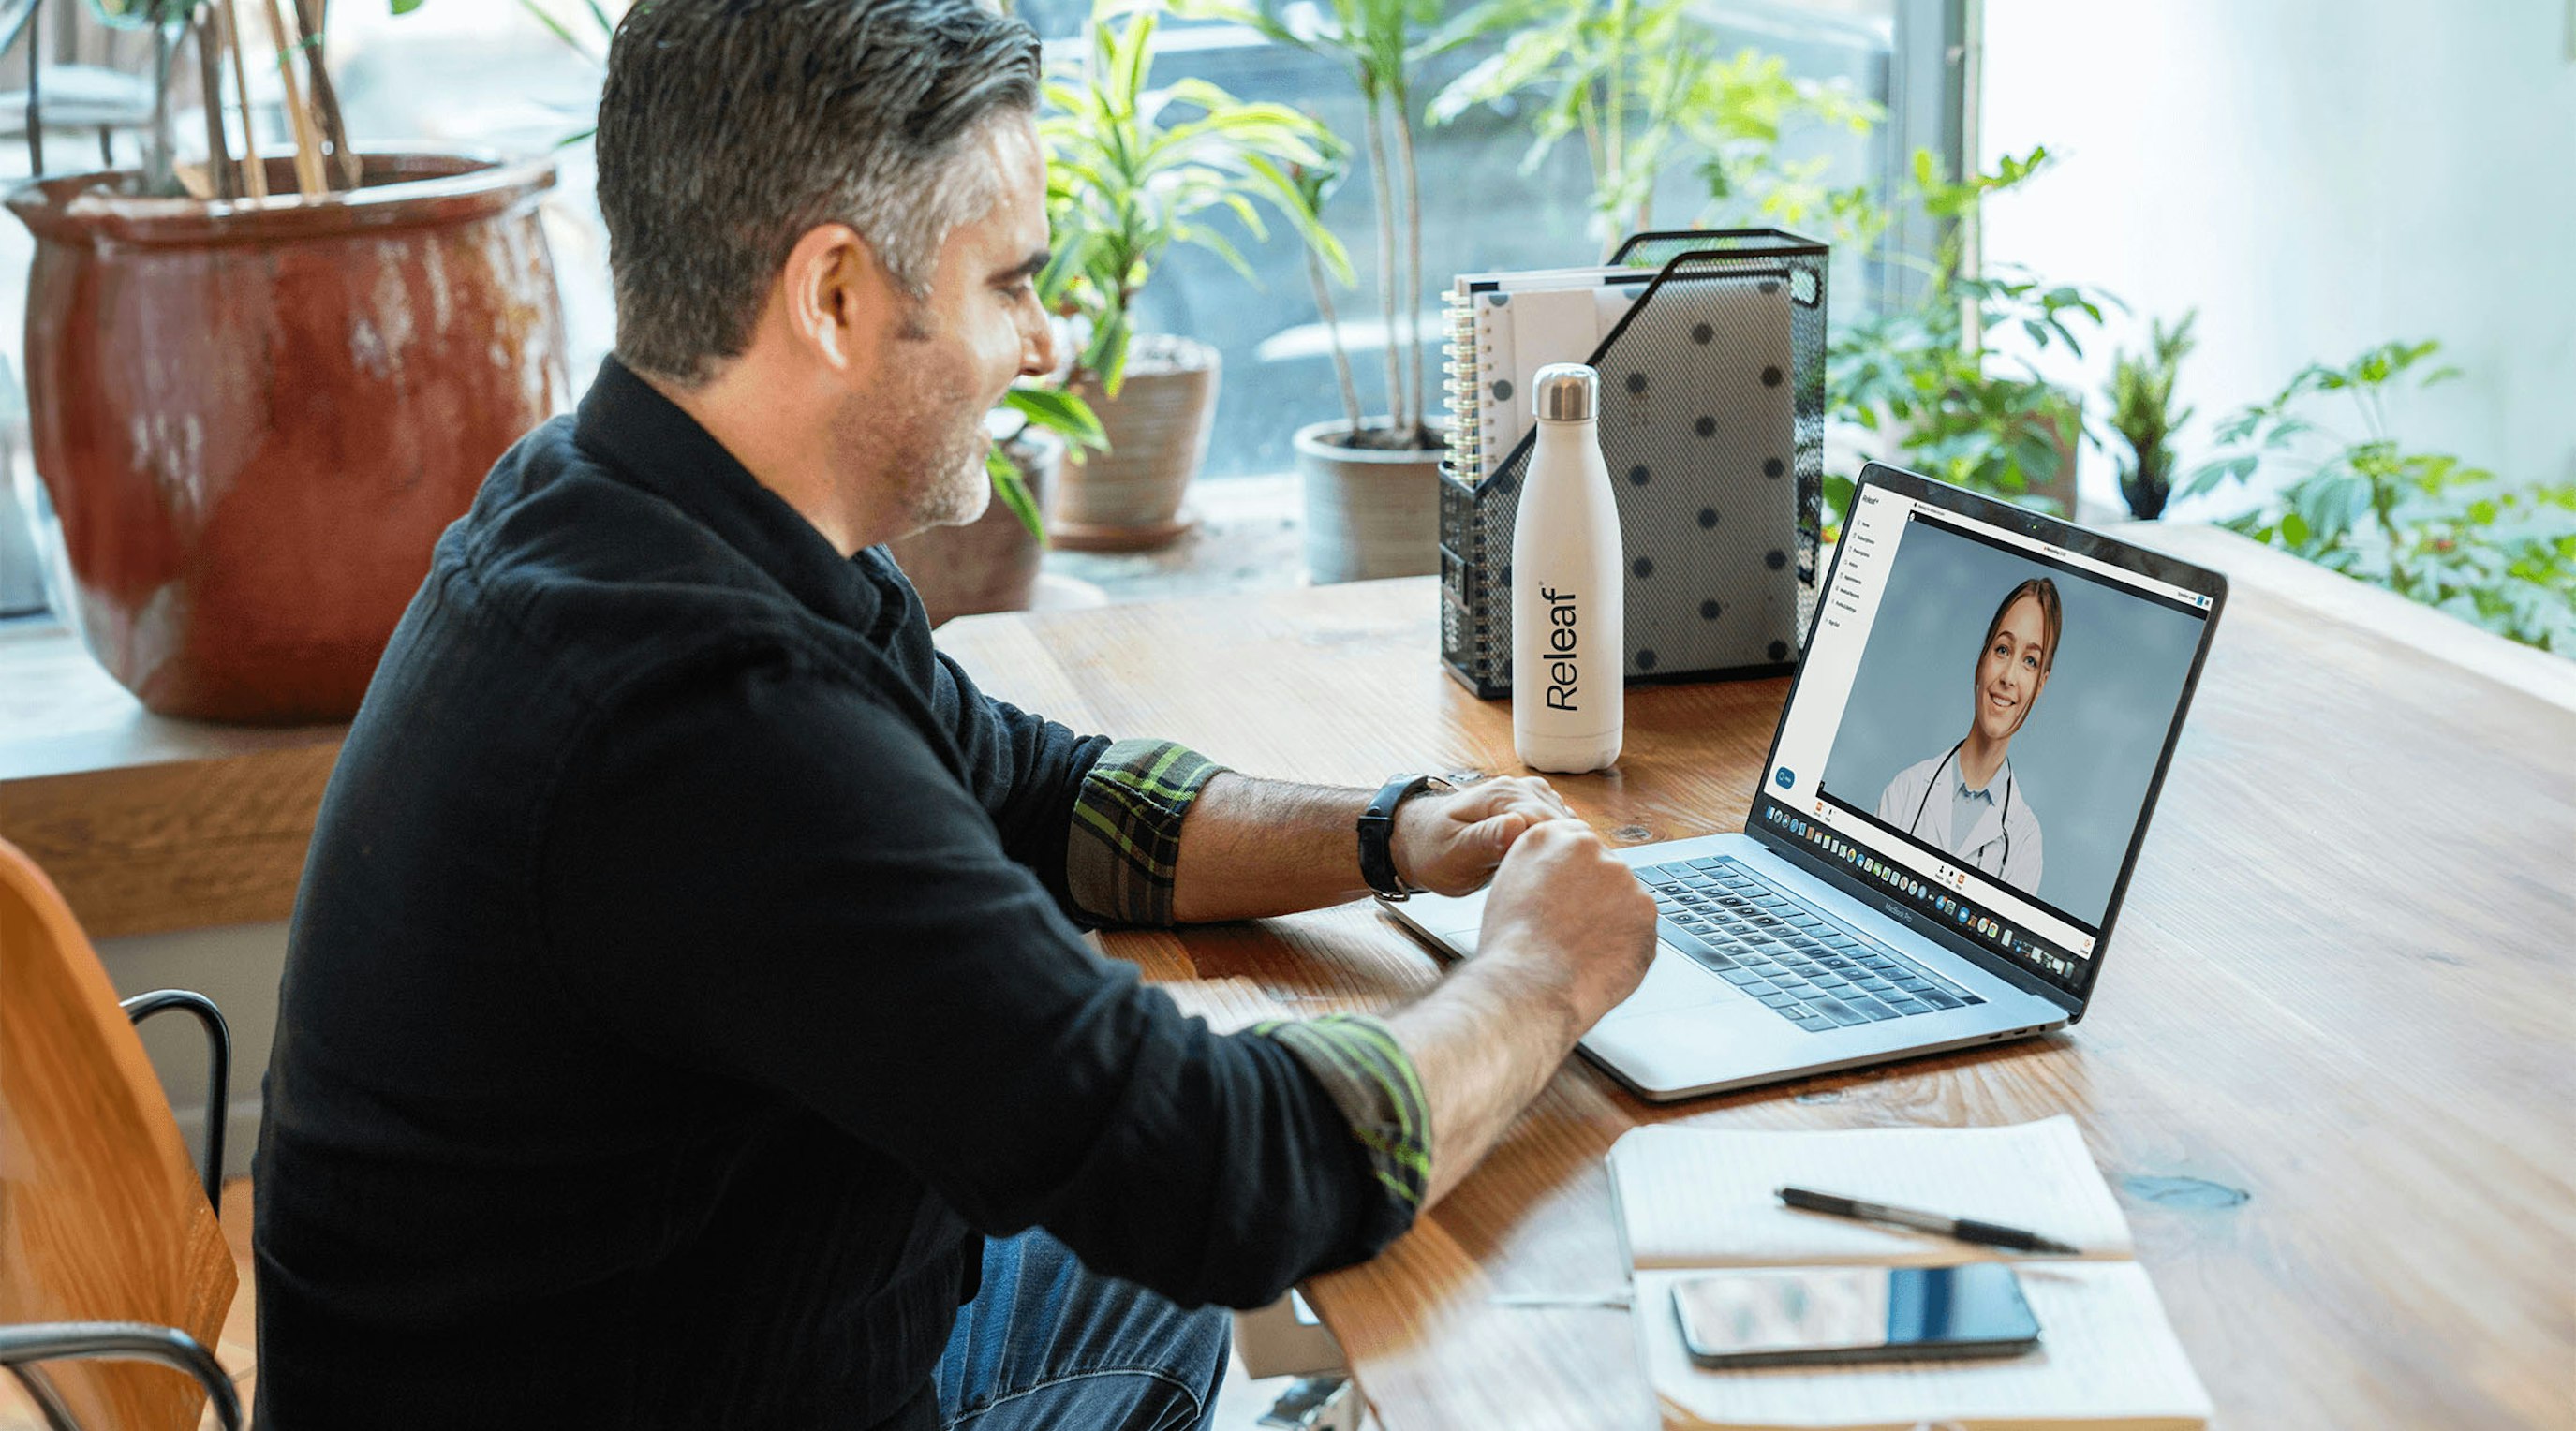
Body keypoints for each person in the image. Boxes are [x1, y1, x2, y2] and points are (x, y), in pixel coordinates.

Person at [248, 2, 1659, 1428]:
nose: (1043, 343)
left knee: (1165, 1234)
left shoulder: (627, 506)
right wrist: (1544, 973)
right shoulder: (707, 726)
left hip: (704, 1335)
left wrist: (1394, 835)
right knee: (1340, 1264)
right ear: (835, 295)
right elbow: (1225, 1182)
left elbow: (1035, 797)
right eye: (1009, 285)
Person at [1874, 577, 2059, 889]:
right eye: (2002, 650)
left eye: (2030, 661)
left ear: (2041, 685)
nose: (2009, 677)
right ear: (1982, 659)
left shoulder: (2025, 840)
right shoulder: (1905, 791)